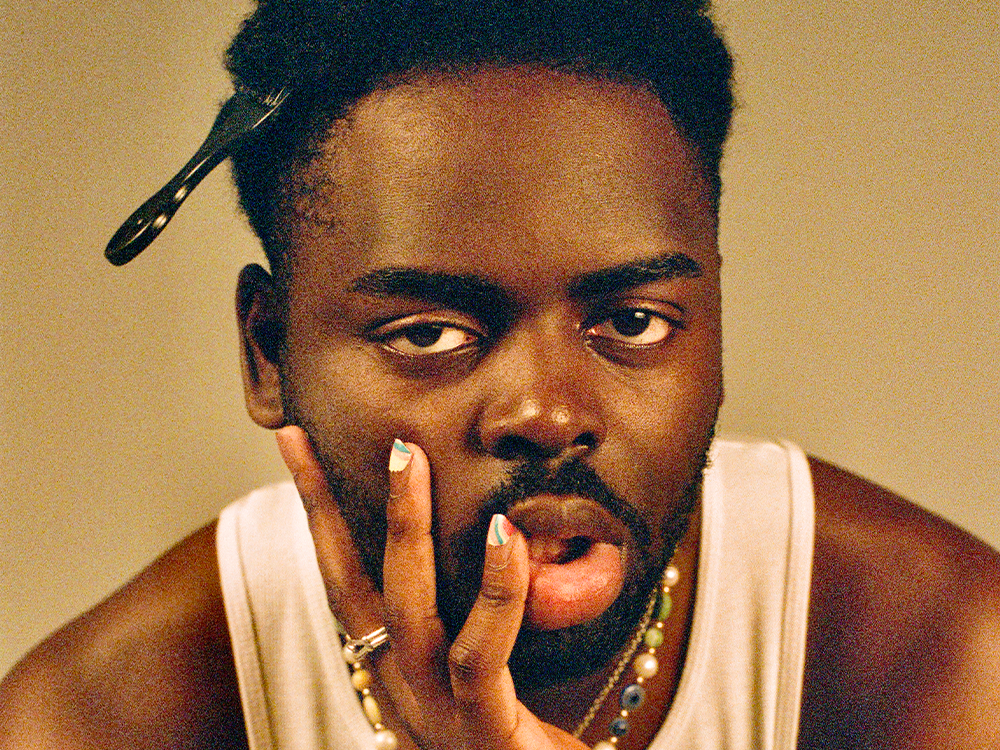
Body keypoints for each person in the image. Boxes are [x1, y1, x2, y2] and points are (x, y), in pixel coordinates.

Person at [2, 1, 998, 748]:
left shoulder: (939, 651)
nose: (547, 413)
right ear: (270, 352)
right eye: (430, 333)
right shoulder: (94, 721)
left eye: (633, 321)